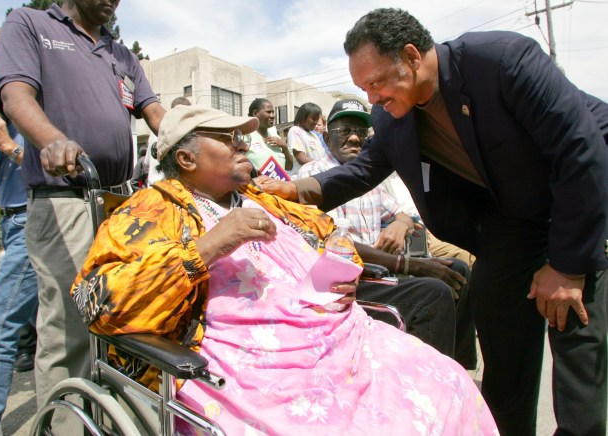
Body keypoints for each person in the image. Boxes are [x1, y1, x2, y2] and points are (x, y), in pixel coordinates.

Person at [257, 8, 608, 435]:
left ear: (411, 56)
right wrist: (292, 191)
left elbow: (581, 149)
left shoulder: (502, 61)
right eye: (363, 88)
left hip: (581, 191)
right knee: (499, 317)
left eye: (376, 82)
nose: (372, 99)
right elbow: (362, 170)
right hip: (515, 216)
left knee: (573, 323)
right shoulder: (391, 117)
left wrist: (567, 266)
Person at [70, 104, 497, 435]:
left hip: (334, 336)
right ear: (185, 157)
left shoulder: (260, 198)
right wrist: (209, 244)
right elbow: (102, 300)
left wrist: (336, 271)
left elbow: (330, 237)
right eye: (229, 138)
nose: (243, 145)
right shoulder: (150, 208)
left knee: (448, 383)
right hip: (249, 360)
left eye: (242, 138)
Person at [0, 0, 165, 409]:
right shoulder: (30, 23)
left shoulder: (121, 53)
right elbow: (16, 95)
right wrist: (50, 139)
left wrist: (202, 135)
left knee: (129, 317)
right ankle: (65, 423)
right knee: (70, 330)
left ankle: (111, 414)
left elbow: (155, 112)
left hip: (121, 203)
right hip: (64, 198)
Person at [297, 98, 476, 368]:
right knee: (435, 292)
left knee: (458, 268)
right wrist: (408, 264)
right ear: (326, 136)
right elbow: (332, 243)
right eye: (345, 131)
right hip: (347, 280)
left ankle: (457, 370)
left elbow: (403, 214)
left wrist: (399, 225)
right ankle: (427, 383)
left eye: (361, 131)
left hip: (380, 268)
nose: (355, 137)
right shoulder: (313, 174)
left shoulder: (365, 177)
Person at [0, 27, 38, 436]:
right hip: (11, 217)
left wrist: (7, 144)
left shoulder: (30, 104)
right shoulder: (4, 108)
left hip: (29, 219)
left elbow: (47, 168)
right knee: (42, 328)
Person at [145, 96, 191, 185]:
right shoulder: (183, 132)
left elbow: (146, 163)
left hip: (153, 187)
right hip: (171, 189)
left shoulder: (154, 131)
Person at [244, 98, 293, 174]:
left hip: (280, 184)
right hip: (256, 184)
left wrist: (284, 147)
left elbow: (289, 167)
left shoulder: (275, 136)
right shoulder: (245, 136)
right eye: (268, 112)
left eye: (273, 112)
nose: (273, 115)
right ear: (255, 113)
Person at [287, 102, 326, 175]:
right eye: (313, 118)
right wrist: (323, 165)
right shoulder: (295, 130)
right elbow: (301, 159)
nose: (315, 122)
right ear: (303, 116)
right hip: (302, 177)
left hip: (316, 175)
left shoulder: (314, 136)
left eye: (317, 119)